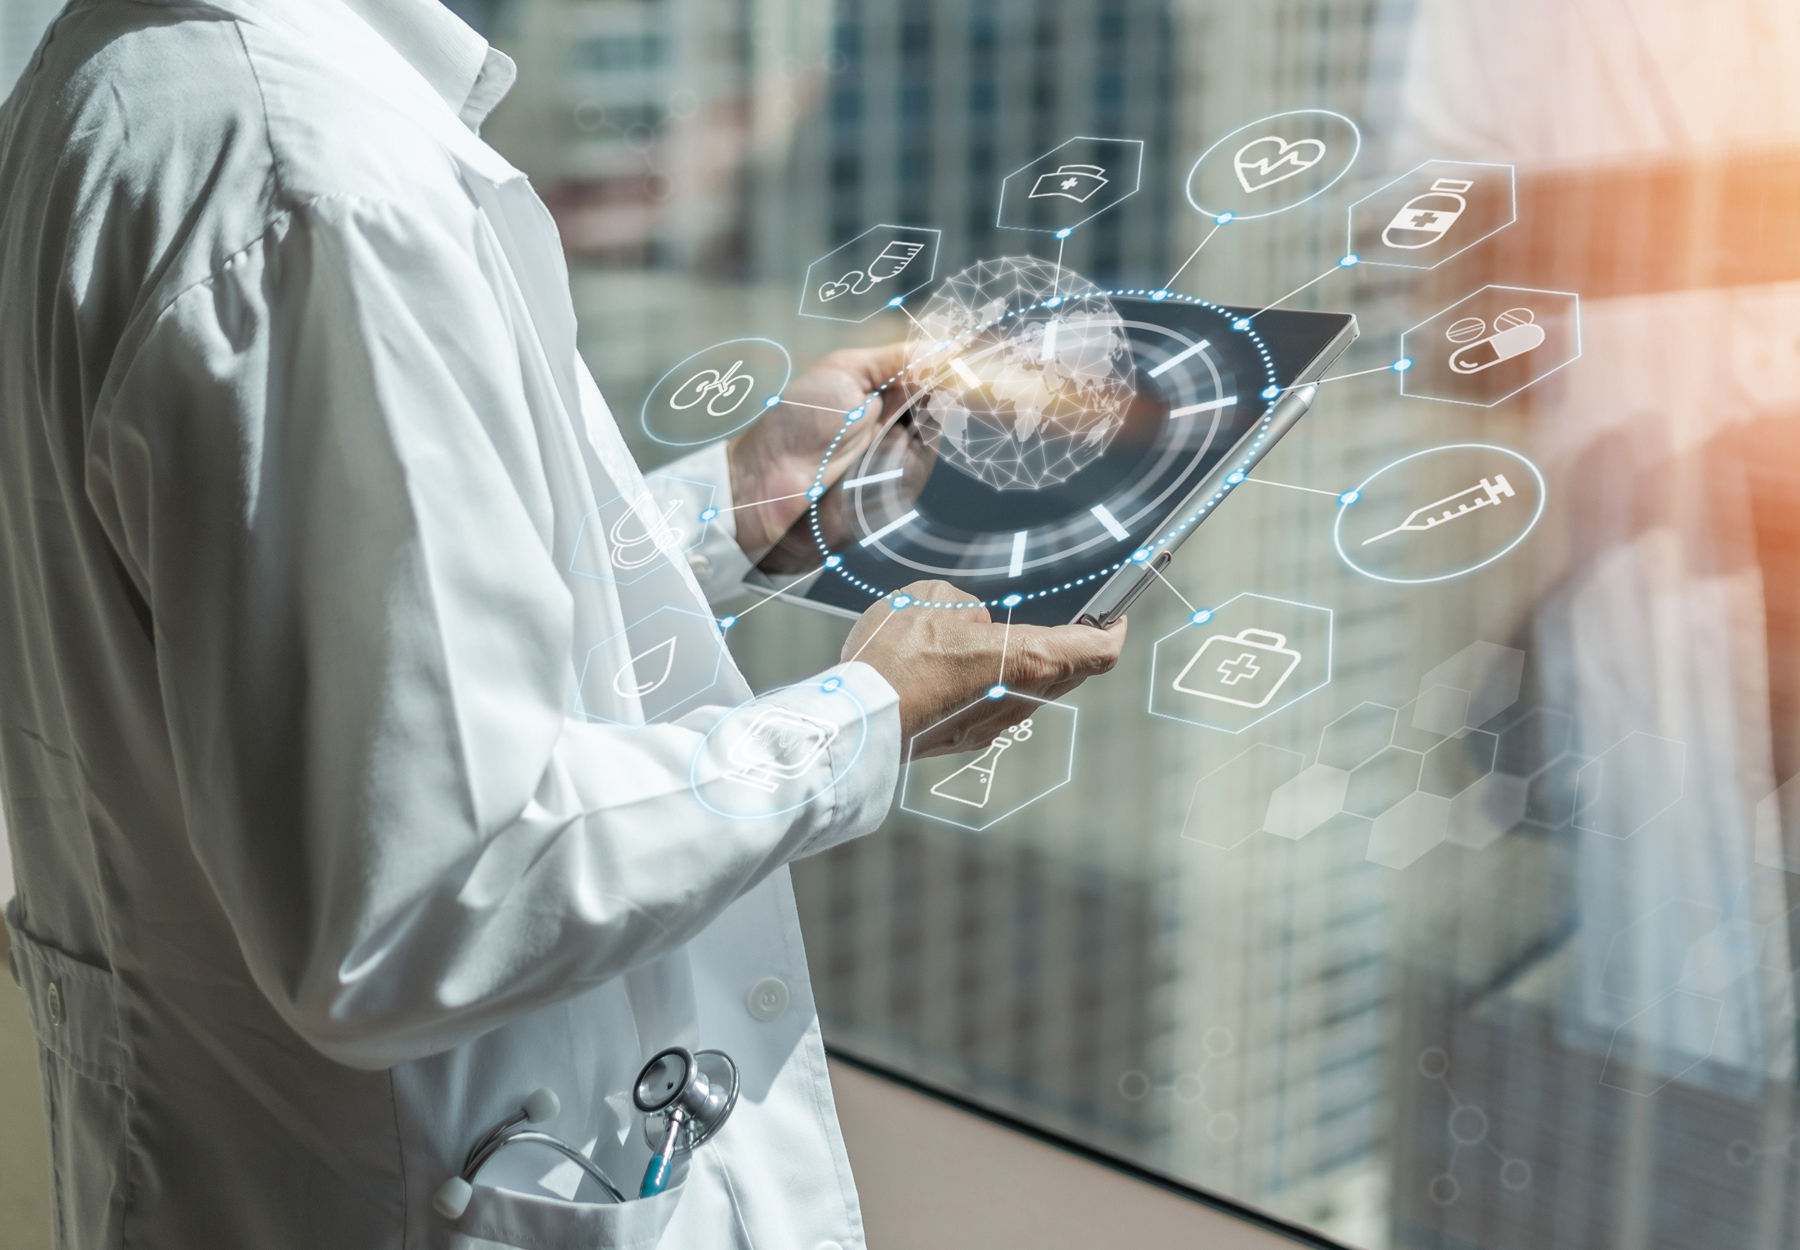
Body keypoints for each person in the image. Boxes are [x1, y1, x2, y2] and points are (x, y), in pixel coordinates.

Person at [0, 1, 1125, 1246]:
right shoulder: (321, 194)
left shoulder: (108, 83)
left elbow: (352, 627)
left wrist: (733, 510)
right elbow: (429, 891)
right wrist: (867, 714)